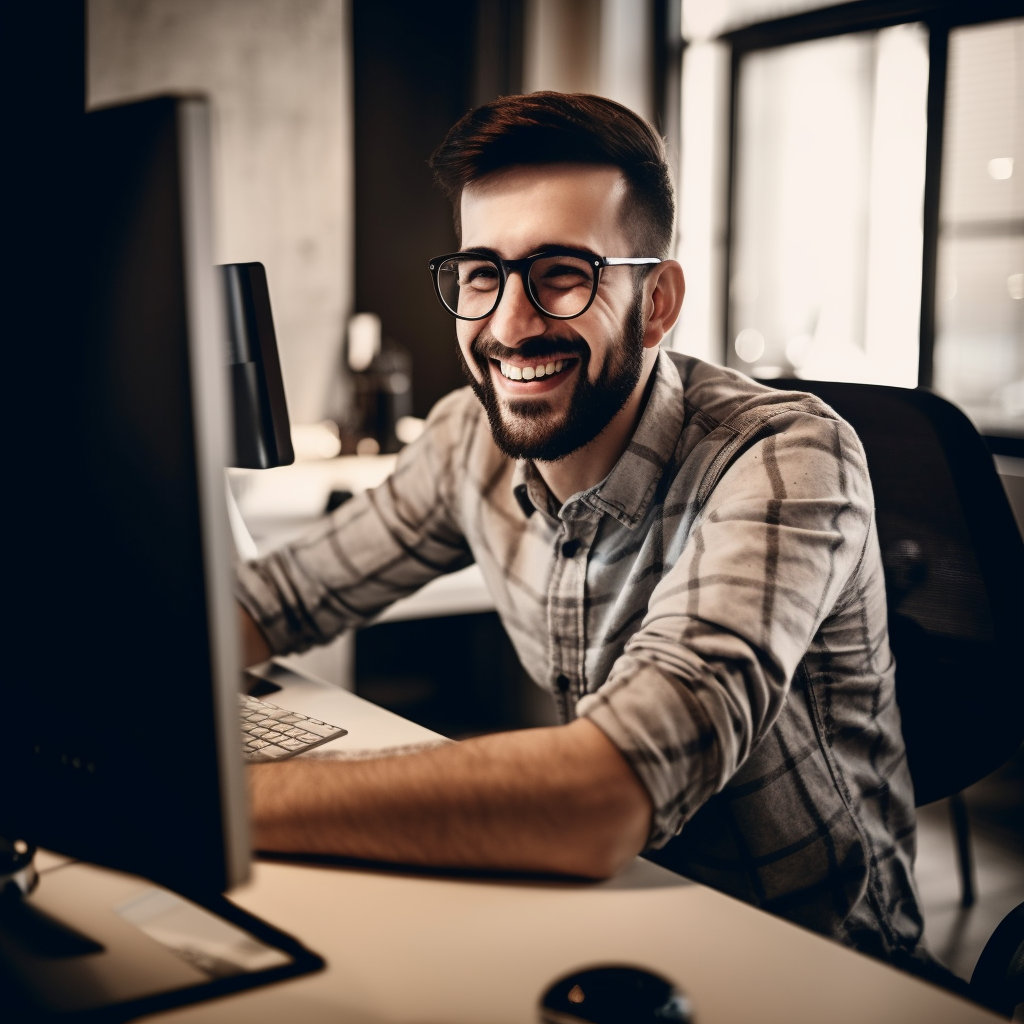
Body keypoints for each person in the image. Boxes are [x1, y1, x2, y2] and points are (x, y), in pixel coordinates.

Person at [236, 92, 927, 969]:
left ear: (657, 300)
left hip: (814, 960)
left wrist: (217, 796)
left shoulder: (787, 457)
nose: (510, 323)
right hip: (614, 913)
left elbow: (604, 792)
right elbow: (280, 596)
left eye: (562, 272)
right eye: (481, 274)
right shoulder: (466, 437)